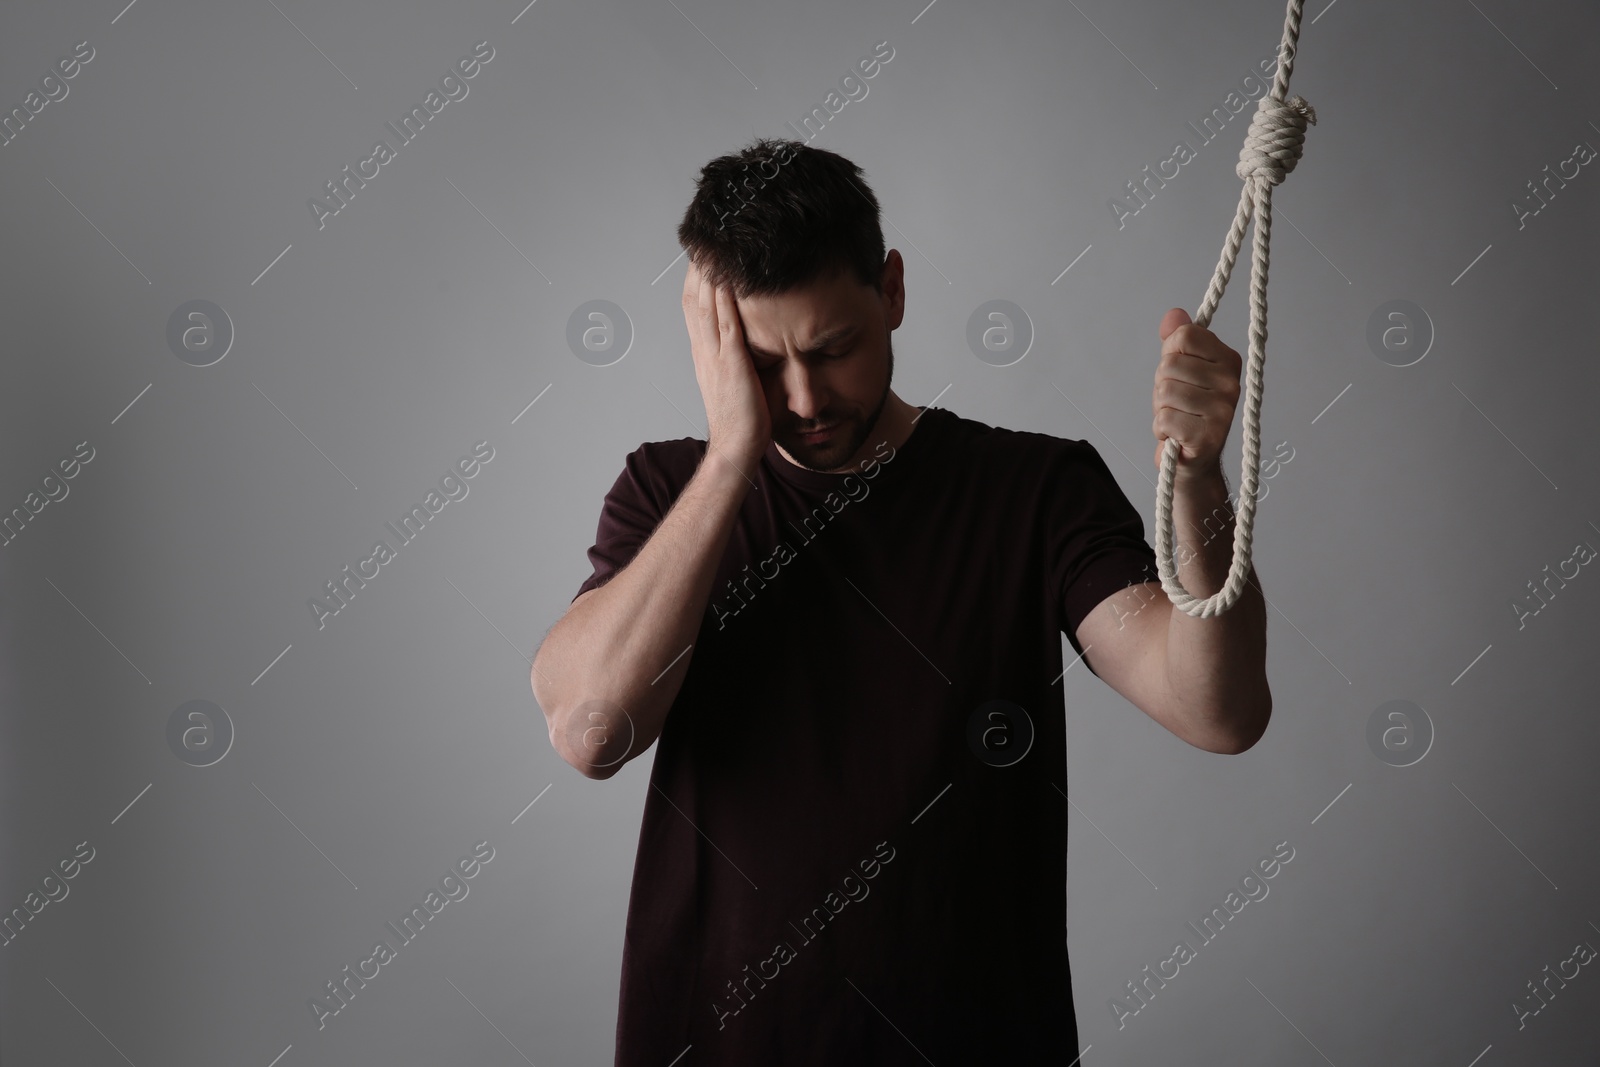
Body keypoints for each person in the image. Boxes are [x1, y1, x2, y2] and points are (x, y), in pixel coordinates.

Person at [531, 137, 1271, 1066]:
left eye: (833, 349)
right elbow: (592, 734)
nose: (803, 398)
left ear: (892, 291)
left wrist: (1200, 482)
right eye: (763, 365)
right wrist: (729, 459)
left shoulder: (1032, 489)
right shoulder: (666, 493)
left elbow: (1218, 710)